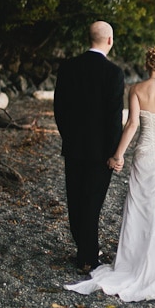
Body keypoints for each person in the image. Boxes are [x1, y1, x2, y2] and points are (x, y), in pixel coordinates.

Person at [65, 46, 155, 302]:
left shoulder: (136, 90)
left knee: (143, 207)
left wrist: (118, 155)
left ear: (146, 66)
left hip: (144, 153)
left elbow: (132, 125)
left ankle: (136, 260)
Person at [54, 21, 125, 274]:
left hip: (73, 146)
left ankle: (84, 249)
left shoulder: (68, 67)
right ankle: (87, 258)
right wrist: (114, 153)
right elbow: (113, 118)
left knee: (75, 200)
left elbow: (59, 109)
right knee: (92, 202)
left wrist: (68, 136)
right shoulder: (114, 73)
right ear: (109, 41)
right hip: (100, 151)